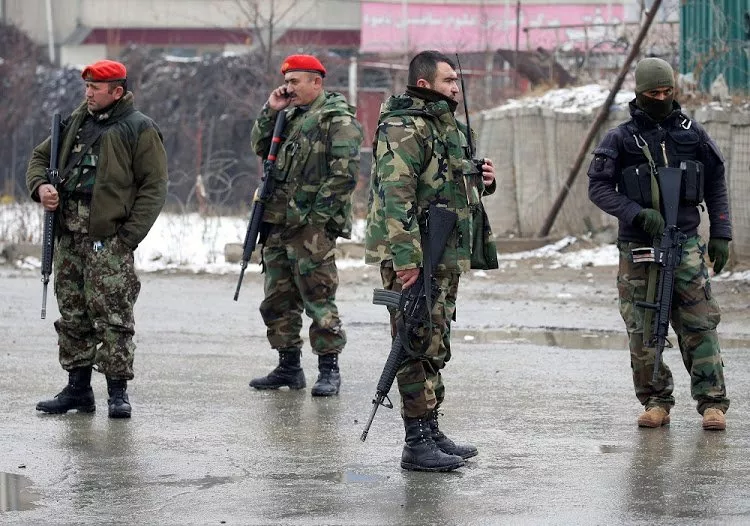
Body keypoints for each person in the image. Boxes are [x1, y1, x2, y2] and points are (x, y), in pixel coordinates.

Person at [364, 50, 497, 471]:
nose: (456, 87)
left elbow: (452, 186)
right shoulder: (402, 126)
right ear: (424, 84)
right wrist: (406, 259)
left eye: (456, 80)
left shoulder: (452, 128)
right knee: (413, 338)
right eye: (448, 80)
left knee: (435, 341)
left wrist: (483, 181)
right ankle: (415, 441)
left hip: (445, 251)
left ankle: (431, 428)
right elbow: (395, 193)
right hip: (413, 252)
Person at [588, 57, 732, 431]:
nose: (662, 98)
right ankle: (655, 400)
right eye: (654, 93)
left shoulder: (693, 133)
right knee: (643, 326)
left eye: (668, 91)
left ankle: (712, 403)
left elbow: (716, 181)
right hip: (638, 246)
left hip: (685, 243)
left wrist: (721, 233)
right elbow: (598, 187)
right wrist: (636, 213)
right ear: (640, 93)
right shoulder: (620, 138)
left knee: (700, 323)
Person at [27, 59, 168, 419]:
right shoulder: (76, 121)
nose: (88, 93)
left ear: (117, 92)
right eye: (86, 87)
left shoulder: (139, 128)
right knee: (73, 313)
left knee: (114, 316)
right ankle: (78, 390)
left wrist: (128, 238)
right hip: (69, 236)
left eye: (95, 88)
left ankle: (117, 393)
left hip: (109, 239)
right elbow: (40, 157)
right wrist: (41, 187)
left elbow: (154, 187)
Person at [248, 54, 362, 397]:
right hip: (277, 222)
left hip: (311, 227)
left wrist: (315, 220)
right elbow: (259, 146)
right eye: (286, 81)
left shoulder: (337, 119)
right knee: (277, 299)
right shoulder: (289, 116)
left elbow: (344, 176)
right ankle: (288, 367)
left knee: (318, 296)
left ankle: (329, 370)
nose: (288, 87)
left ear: (317, 82)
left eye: (295, 81)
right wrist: (271, 110)